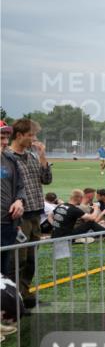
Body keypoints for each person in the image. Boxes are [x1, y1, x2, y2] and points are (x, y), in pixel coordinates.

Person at [7, 119, 52, 308]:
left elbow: (47, 180)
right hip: (19, 215)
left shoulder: (32, 156)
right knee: (18, 259)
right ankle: (12, 298)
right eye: (31, 135)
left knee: (31, 258)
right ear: (19, 135)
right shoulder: (7, 157)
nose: (34, 139)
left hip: (35, 212)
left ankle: (24, 293)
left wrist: (42, 157)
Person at [0, 121, 26, 284]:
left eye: (6, 138)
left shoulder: (9, 159)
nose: (5, 142)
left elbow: (20, 186)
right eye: (1, 137)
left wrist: (19, 201)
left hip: (6, 223)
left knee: (3, 270)